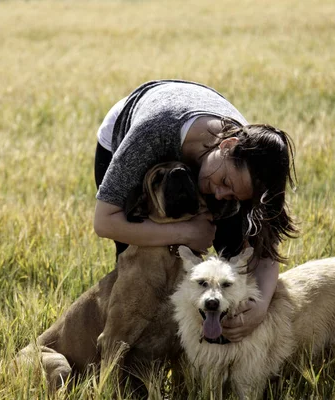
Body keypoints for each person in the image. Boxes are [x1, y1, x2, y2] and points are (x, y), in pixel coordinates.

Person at [93, 79, 298, 342]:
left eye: (234, 194)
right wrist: (186, 233)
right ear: (226, 145)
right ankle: (120, 347)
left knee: (234, 253)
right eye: (225, 183)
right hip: (137, 132)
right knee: (143, 268)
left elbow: (264, 251)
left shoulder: (249, 159)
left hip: (195, 136)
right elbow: (104, 222)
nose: (222, 195)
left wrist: (260, 308)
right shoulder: (152, 135)